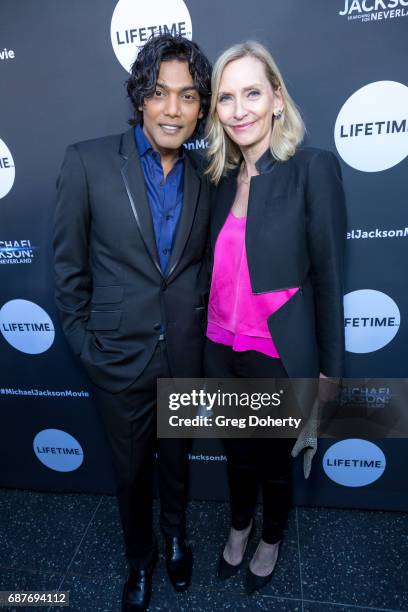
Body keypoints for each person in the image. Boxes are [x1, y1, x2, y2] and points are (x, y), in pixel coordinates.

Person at [53, 34, 211, 611]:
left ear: (200, 106)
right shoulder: (88, 161)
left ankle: (176, 538)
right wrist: (86, 346)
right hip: (117, 357)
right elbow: (68, 268)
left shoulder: (206, 175)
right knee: (130, 474)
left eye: (188, 96)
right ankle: (139, 559)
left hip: (184, 356)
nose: (174, 109)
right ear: (140, 97)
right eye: (161, 94)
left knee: (177, 462)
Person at [204, 41, 346, 595]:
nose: (239, 109)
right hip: (219, 348)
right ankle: (239, 528)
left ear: (277, 100)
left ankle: (271, 539)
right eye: (226, 97)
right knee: (235, 455)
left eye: (252, 93)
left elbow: (331, 279)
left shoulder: (312, 170)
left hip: (277, 355)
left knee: (273, 463)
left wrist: (329, 376)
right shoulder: (217, 179)